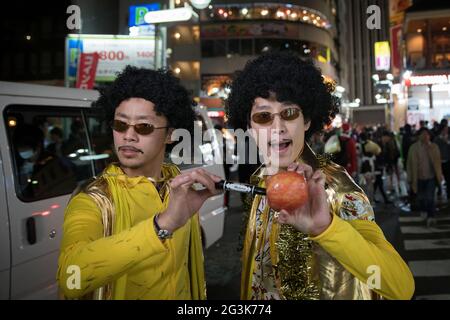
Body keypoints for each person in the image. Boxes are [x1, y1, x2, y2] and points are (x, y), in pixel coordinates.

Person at [226, 51, 414, 300]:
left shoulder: (335, 188)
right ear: (249, 128)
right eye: (263, 117)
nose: (277, 127)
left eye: (289, 113)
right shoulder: (261, 182)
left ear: (307, 121)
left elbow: (400, 285)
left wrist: (327, 229)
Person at [57, 66, 222, 300]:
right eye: (120, 125)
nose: (128, 136)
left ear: (170, 135)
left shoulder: (178, 187)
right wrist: (160, 226)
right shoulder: (94, 199)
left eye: (143, 127)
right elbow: (70, 277)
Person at [407, 127, 443, 227]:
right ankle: (424, 211)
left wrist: (440, 175)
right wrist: (409, 178)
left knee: (430, 197)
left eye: (427, 134)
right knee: (421, 198)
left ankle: (431, 216)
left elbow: (438, 163)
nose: (425, 136)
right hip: (418, 178)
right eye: (423, 134)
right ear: (419, 136)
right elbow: (409, 164)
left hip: (431, 177)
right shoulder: (413, 148)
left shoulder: (434, 147)